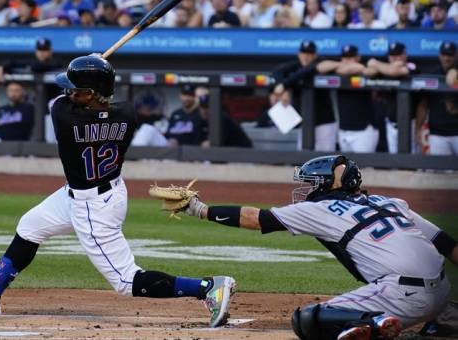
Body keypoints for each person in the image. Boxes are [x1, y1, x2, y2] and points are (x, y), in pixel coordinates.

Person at [0, 55, 236, 327]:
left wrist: (92, 66)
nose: (70, 92)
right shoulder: (128, 115)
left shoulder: (64, 117)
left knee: (126, 281)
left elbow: (59, 101)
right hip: (99, 191)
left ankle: (208, 288)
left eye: (77, 89)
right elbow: (108, 106)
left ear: (91, 94)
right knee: (30, 226)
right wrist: (96, 73)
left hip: (92, 206)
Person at [182, 154, 454, 340]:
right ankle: (443, 317)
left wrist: (199, 209)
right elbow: (447, 244)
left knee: (307, 319)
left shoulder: (321, 208)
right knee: (429, 295)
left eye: (311, 183)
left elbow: (256, 218)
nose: (306, 189)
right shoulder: (390, 202)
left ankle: (374, 323)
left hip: (401, 295)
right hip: (441, 291)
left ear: (326, 184)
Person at [271, 41, 337, 151]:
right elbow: (277, 71)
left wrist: (284, 85)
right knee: (304, 161)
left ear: (315, 55)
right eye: (303, 53)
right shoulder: (296, 65)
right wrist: (284, 90)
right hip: (306, 123)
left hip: (324, 123)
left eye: (309, 54)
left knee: (326, 160)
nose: (306, 57)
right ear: (299, 54)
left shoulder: (320, 63)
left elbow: (306, 72)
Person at [317, 45, 379, 153]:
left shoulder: (364, 68)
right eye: (345, 58)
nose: (347, 61)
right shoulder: (337, 69)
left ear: (358, 57)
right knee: (347, 168)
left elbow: (371, 71)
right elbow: (320, 67)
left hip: (364, 131)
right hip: (344, 130)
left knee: (364, 167)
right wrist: (343, 65)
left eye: (350, 58)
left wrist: (357, 67)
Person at [366, 43, 419, 153]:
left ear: (405, 55)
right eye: (391, 55)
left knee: (412, 161)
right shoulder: (385, 67)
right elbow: (368, 72)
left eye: (397, 55)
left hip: (410, 124)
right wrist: (385, 67)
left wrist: (376, 64)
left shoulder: (412, 65)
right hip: (390, 123)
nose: (394, 58)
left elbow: (394, 71)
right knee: (394, 159)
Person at [417, 42, 458, 155]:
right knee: (439, 172)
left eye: (450, 55)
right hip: (438, 134)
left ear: (455, 56)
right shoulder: (432, 75)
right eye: (444, 54)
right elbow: (423, 105)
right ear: (439, 55)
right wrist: (418, 128)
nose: (446, 58)